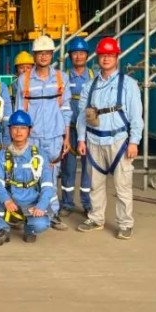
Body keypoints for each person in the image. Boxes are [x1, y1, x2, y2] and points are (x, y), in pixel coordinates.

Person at [76, 36, 144, 240]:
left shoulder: (128, 84)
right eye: (103, 55)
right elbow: (82, 115)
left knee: (122, 186)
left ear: (116, 57)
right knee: (95, 184)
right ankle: (96, 218)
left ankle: (125, 223)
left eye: (110, 55)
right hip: (94, 141)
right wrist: (81, 139)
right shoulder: (90, 85)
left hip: (119, 141)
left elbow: (136, 116)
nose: (106, 59)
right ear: (98, 58)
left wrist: (134, 142)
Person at [13, 35, 71, 230]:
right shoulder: (24, 80)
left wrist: (66, 137)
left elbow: (66, 109)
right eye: (40, 53)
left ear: (52, 55)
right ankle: (28, 212)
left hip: (54, 136)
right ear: (34, 55)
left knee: (51, 175)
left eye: (47, 53)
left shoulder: (61, 78)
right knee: (29, 173)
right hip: (33, 137)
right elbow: (20, 112)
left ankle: (52, 214)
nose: (44, 56)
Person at [0, 110, 55, 245]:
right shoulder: (2, 155)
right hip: (11, 199)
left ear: (29, 130)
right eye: (15, 127)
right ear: (10, 130)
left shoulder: (39, 155)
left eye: (23, 128)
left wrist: (41, 206)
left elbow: (47, 185)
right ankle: (2, 230)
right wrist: (6, 200)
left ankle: (29, 229)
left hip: (31, 200)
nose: (18, 132)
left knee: (40, 225)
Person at [60, 36, 94, 216]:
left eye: (82, 53)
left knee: (89, 168)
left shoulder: (94, 77)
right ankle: (67, 203)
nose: (79, 56)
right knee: (68, 168)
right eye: (75, 53)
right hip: (69, 130)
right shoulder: (63, 77)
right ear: (70, 56)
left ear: (87, 55)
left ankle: (87, 203)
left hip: (89, 130)